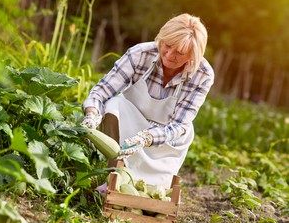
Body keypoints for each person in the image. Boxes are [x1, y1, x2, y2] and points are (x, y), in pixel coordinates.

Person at [81, 13, 215, 191]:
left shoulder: (202, 75)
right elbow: (102, 91)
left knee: (151, 191)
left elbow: (179, 125)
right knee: (114, 105)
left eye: (180, 53)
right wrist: (91, 114)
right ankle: (113, 174)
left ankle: (150, 183)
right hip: (132, 123)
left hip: (166, 137)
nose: (169, 54)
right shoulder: (141, 54)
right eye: (167, 45)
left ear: (192, 55)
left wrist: (147, 137)